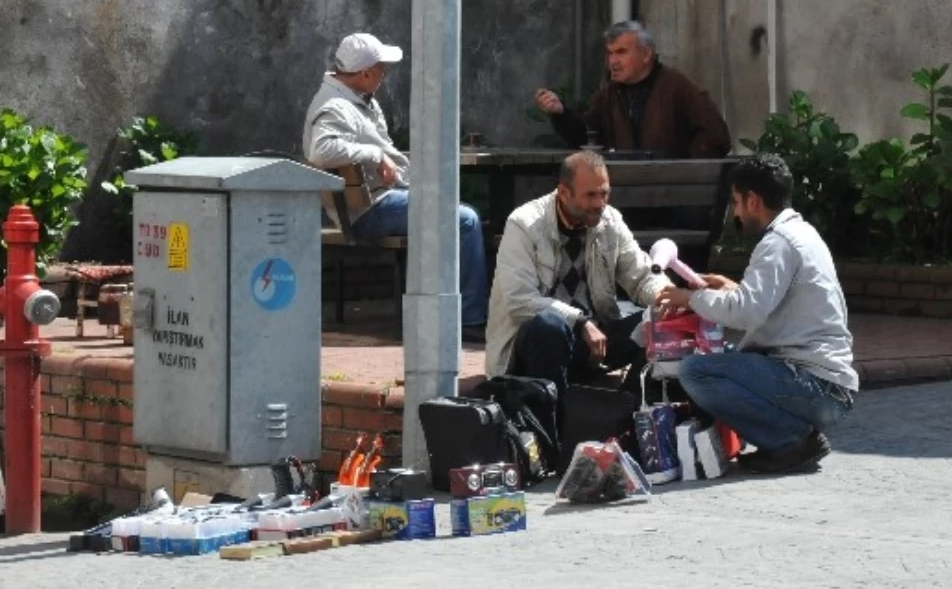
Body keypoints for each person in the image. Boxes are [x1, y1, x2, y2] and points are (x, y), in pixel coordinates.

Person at [654, 153, 857, 474]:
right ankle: (787, 440)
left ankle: (791, 442)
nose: (734, 211)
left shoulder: (777, 243)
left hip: (817, 387)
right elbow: (770, 304)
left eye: (735, 201)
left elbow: (747, 313)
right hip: (826, 386)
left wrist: (691, 297)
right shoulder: (801, 233)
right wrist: (729, 288)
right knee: (726, 358)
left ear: (753, 200)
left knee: (696, 370)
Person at [302, 32, 488, 341]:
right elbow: (320, 151)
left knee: (453, 208)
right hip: (367, 211)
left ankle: (443, 313)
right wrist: (375, 155)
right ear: (365, 73)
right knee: (464, 221)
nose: (384, 75)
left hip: (382, 199)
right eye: (381, 69)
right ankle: (468, 319)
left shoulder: (360, 101)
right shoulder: (335, 106)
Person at [484, 150, 671, 401]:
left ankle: (624, 411)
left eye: (604, 193)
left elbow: (641, 276)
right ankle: (552, 423)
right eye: (590, 195)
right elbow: (519, 300)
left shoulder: (610, 220)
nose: (599, 203)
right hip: (536, 348)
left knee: (661, 320)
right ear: (563, 192)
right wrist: (580, 322)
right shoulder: (523, 224)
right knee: (551, 326)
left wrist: (669, 298)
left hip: (596, 343)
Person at [533, 20, 732, 160]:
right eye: (610, 53)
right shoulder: (609, 95)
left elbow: (715, 135)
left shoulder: (677, 86)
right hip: (625, 193)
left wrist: (682, 170)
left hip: (672, 196)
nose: (613, 62)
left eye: (621, 52)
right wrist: (560, 113)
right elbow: (588, 136)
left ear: (646, 54)